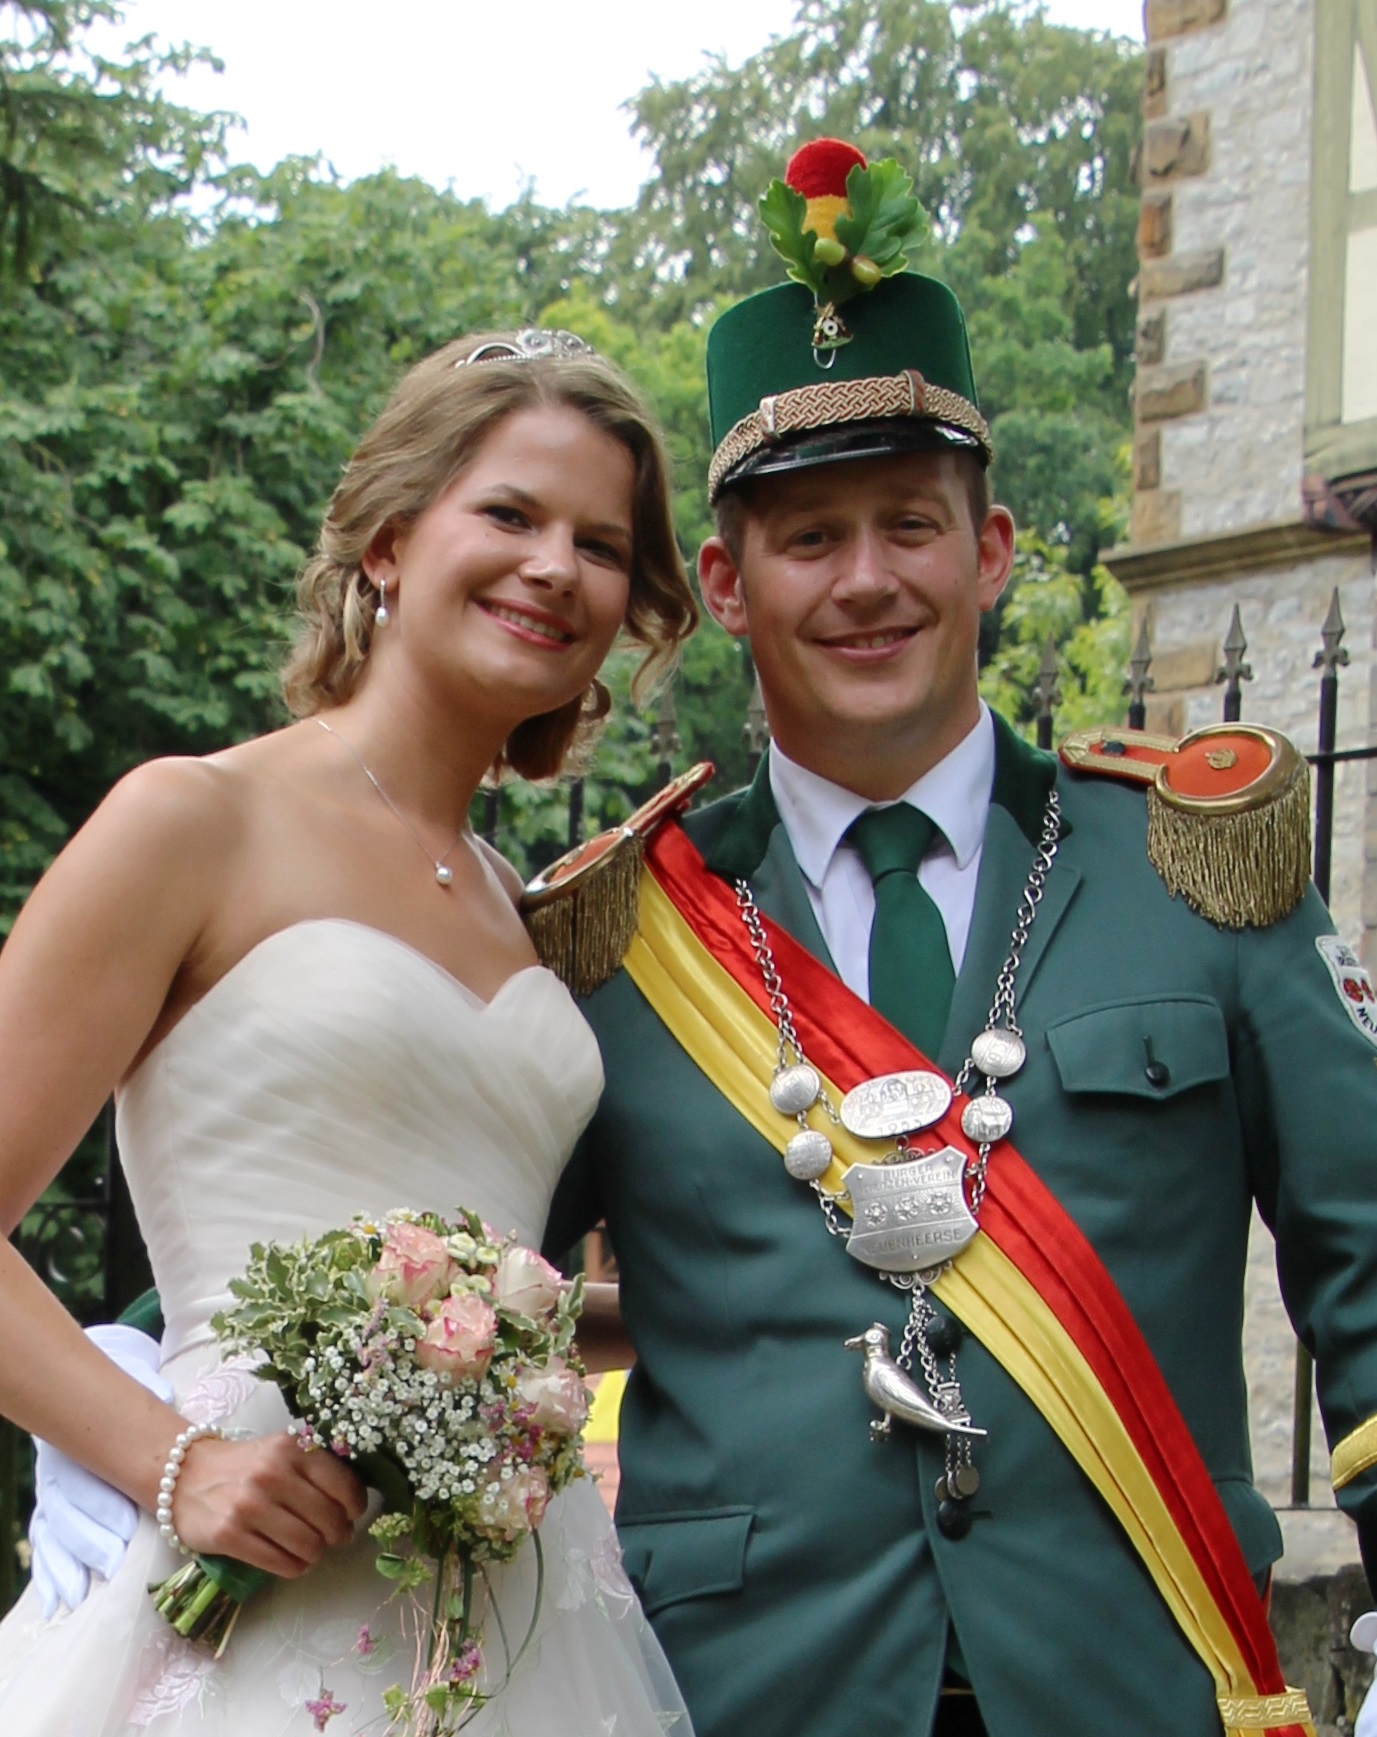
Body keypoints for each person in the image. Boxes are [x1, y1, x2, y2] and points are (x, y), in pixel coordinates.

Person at [33, 142, 1377, 1736]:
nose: (865, 581)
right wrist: (155, 1422)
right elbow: (447, 1246)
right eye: (807, 539)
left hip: (1129, 1678)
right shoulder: (614, 938)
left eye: (910, 524)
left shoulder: (1191, 871)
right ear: (729, 585)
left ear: (993, 550)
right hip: (749, 1693)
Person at [0, 327, 698, 1734]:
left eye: (601, 545)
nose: (555, 567)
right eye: (509, 514)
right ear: (387, 541)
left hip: (515, 1612)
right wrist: (169, 1459)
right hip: (254, 1576)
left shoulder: (527, 906)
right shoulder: (193, 820)